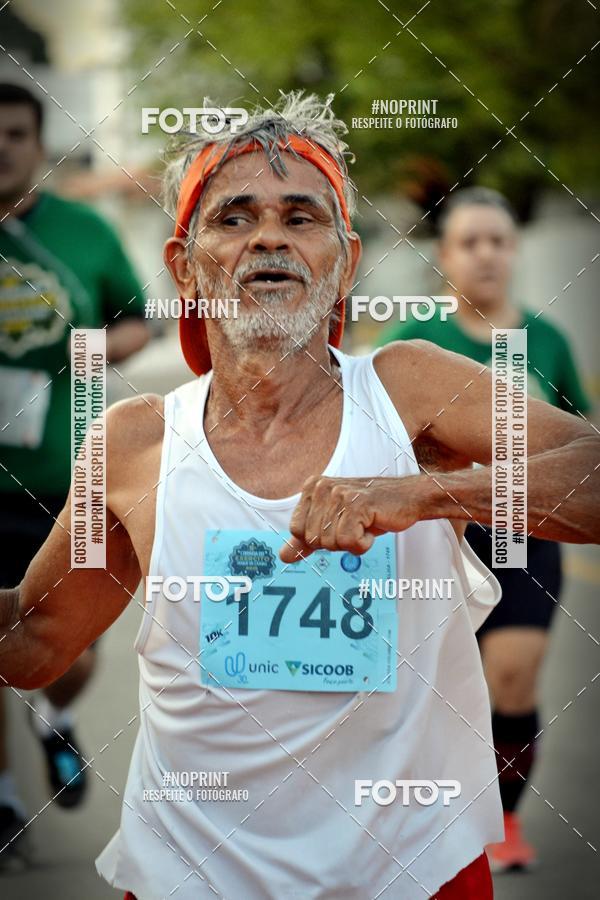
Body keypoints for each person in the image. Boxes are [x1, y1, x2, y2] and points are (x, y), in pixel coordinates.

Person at [0, 91, 598, 899]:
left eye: (301, 216)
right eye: (235, 217)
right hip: (189, 875)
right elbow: (34, 641)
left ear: (346, 260)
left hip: (410, 872)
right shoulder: (133, 444)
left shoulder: (411, 391)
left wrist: (425, 495)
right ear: (184, 265)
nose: (269, 237)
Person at [377, 186, 593, 871]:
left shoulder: (546, 341)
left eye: (498, 240)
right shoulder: (414, 344)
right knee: (433, 689)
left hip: (523, 537)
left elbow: (581, 445)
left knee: (512, 678)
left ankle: (504, 818)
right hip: (434, 539)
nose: (486, 254)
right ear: (444, 256)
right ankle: (421, 816)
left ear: (514, 250)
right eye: (469, 242)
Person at [0, 82, 149, 868]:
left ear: (39, 145)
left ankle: (54, 720)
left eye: (15, 134)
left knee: (71, 646)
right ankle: (4, 801)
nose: (1, 149)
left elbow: (139, 317)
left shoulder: (82, 232)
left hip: (65, 480)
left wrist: (95, 347)